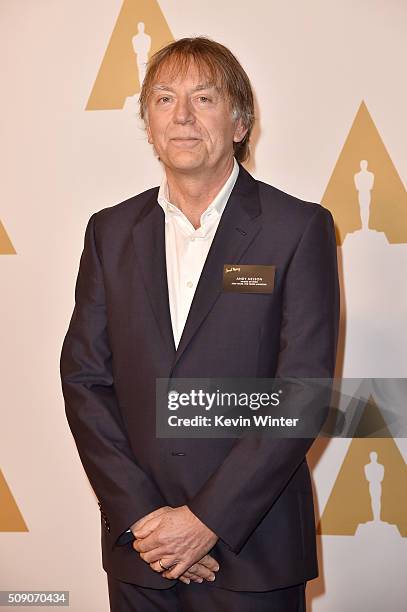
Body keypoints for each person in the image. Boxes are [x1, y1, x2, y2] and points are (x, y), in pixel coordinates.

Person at [60, 36, 340, 611]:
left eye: (203, 98)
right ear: (149, 123)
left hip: (252, 552)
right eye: (164, 99)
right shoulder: (109, 233)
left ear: (240, 123)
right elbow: (86, 382)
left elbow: (303, 392)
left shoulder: (297, 229)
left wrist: (206, 519)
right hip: (143, 555)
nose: (181, 116)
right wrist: (145, 518)